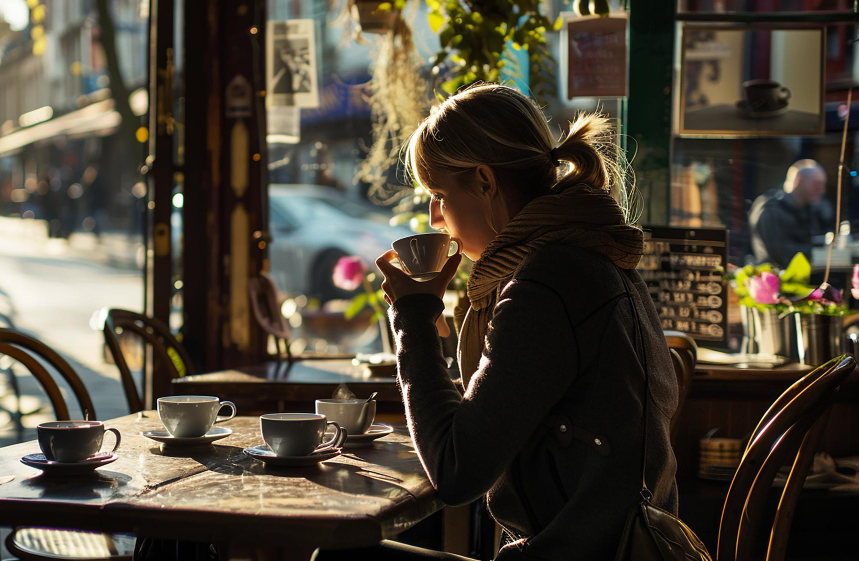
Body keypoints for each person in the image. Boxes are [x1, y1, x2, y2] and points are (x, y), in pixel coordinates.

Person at [320, 84, 679, 560]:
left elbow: (456, 473)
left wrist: (413, 318)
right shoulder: (591, 254)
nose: (435, 216)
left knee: (343, 554)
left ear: (485, 183)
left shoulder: (547, 284)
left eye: (440, 194)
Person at [749, 159, 830, 268]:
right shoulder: (771, 209)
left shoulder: (809, 212)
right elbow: (781, 255)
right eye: (817, 184)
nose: (822, 190)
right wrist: (820, 253)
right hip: (775, 280)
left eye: (823, 185)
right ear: (798, 180)